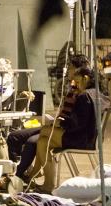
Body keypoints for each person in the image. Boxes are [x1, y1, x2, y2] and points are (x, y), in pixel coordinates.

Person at [24, 65, 106, 193]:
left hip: (81, 139)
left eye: (78, 82)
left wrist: (60, 124)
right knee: (43, 142)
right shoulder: (96, 94)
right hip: (90, 138)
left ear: (85, 79)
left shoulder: (84, 96)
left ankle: (35, 173)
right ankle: (46, 183)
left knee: (45, 130)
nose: (76, 85)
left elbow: (77, 123)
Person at [8, 55, 89, 179]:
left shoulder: (82, 93)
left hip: (63, 131)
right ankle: (24, 170)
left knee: (33, 141)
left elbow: (74, 120)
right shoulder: (72, 87)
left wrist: (58, 122)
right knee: (14, 137)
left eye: (71, 67)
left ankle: (19, 176)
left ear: (79, 71)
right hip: (56, 125)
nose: (67, 70)